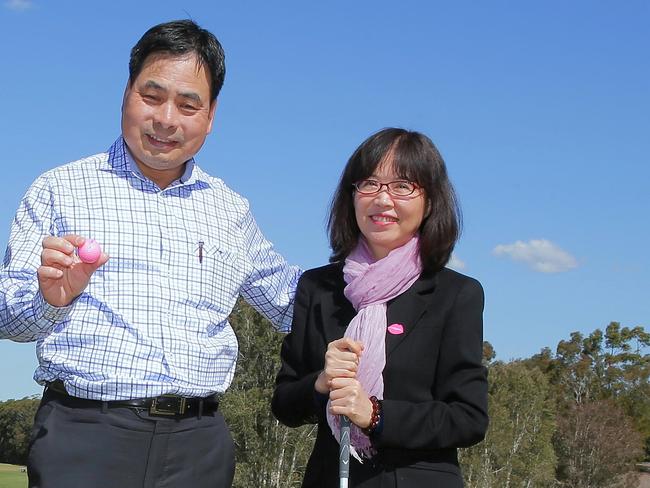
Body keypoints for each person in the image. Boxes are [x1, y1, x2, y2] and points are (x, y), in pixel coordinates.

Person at [0, 20, 300, 488]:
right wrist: (49, 299)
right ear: (126, 91)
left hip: (200, 448)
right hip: (85, 437)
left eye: (188, 104)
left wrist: (390, 273)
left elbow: (292, 303)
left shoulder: (231, 209)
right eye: (152, 95)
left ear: (211, 114)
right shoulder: (59, 189)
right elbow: (8, 318)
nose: (166, 119)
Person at [272, 128, 488, 487]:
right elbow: (285, 404)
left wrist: (374, 414)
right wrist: (322, 382)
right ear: (352, 196)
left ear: (430, 201)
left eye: (403, 186)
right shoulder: (318, 287)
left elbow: (468, 417)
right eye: (369, 184)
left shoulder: (456, 294)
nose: (383, 200)